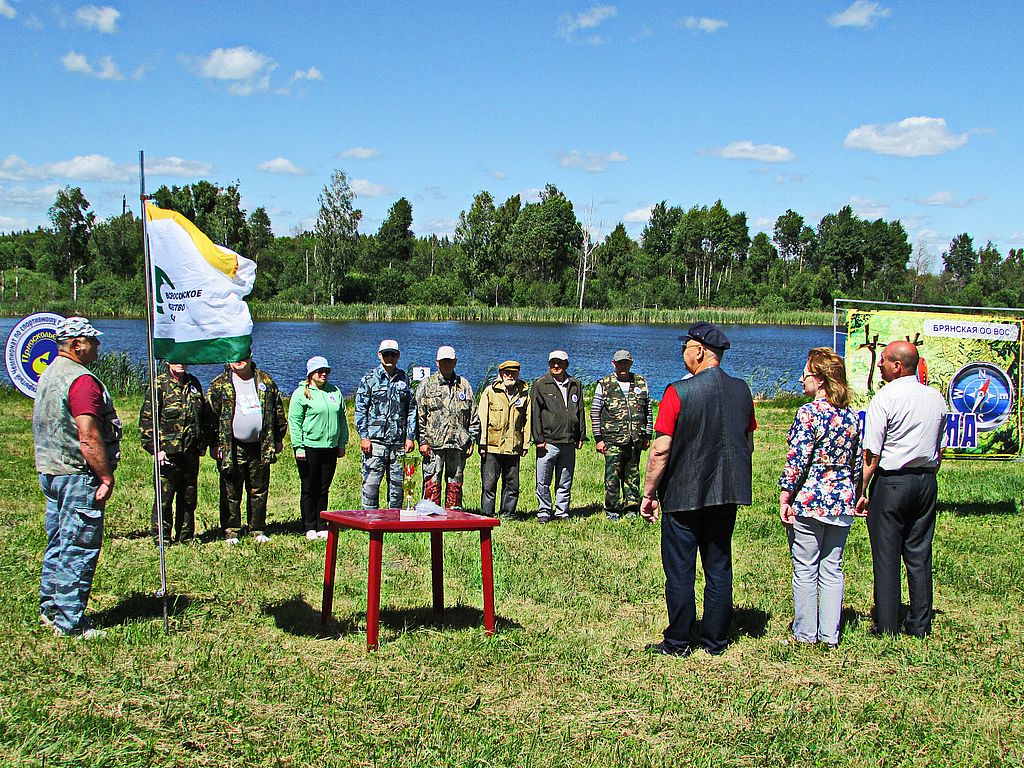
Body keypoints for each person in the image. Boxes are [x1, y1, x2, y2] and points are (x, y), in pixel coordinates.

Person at [640, 323, 756, 656]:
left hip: (683, 495)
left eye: (686, 347)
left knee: (680, 569)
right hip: (725, 493)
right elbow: (747, 443)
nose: (683, 352)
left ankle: (678, 640)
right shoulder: (742, 391)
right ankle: (715, 639)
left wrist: (648, 494)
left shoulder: (678, 392)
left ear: (701, 351)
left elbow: (661, 448)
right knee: (718, 565)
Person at [34, 317, 122, 638]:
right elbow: (87, 435)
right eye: (92, 340)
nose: (97, 345)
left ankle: (51, 608)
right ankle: (69, 620)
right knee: (79, 544)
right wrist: (105, 476)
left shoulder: (50, 374)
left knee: (58, 540)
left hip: (51, 470)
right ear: (77, 345)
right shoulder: (81, 381)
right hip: (76, 473)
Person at [857, 340, 946, 637]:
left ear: (897, 366)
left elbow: (872, 452)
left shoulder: (885, 398)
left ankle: (887, 624)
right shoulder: (935, 398)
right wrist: (929, 472)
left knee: (886, 555)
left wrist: (863, 488)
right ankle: (920, 624)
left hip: (892, 481)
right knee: (919, 553)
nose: (878, 364)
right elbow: (940, 447)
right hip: (925, 480)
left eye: (882, 360)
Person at [778, 347, 863, 647]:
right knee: (832, 567)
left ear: (822, 380)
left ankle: (804, 633)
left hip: (810, 500)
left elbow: (798, 460)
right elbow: (856, 464)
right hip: (842, 502)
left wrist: (785, 496)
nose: (802, 379)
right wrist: (855, 495)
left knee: (805, 567)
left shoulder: (808, 413)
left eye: (807, 375)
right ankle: (830, 634)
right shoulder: (852, 417)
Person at [207, 352, 287, 544]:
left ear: (250, 356)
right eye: (234, 355)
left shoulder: (265, 381)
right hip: (231, 446)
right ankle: (231, 529)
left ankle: (257, 529)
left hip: (260, 445)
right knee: (230, 490)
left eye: (243, 355)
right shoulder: (219, 384)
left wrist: (277, 438)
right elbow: (210, 417)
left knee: (259, 489)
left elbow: (278, 411)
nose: (239, 359)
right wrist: (214, 443)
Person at [139, 361, 212, 546]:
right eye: (176, 360)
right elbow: (148, 420)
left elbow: (201, 416)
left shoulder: (193, 383)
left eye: (184, 360)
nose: (181, 364)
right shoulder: (159, 385)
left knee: (188, 496)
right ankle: (162, 537)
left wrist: (202, 443)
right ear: (167, 362)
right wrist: (155, 450)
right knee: (164, 498)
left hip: (190, 451)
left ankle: (185, 536)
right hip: (167, 453)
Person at [289, 356, 348, 540]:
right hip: (309, 447)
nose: (323, 374)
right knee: (309, 487)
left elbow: (342, 419)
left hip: (330, 447)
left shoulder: (335, 391)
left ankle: (322, 524)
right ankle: (308, 526)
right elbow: (295, 422)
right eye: (319, 371)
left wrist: (341, 443)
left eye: (326, 371)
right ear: (310, 374)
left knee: (324, 488)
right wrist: (298, 447)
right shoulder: (301, 394)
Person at [354, 339, 416, 509]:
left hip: (398, 442)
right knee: (371, 484)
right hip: (375, 442)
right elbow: (360, 410)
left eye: (393, 354)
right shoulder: (369, 379)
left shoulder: (405, 379)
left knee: (397, 485)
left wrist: (410, 437)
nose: (390, 357)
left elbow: (411, 409)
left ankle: (394, 519)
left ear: (398, 356)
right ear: (379, 355)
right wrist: (364, 436)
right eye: (386, 354)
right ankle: (369, 519)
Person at [416, 345, 480, 509]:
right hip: (433, 444)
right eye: (444, 361)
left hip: (458, 444)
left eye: (450, 361)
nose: (447, 364)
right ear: (437, 362)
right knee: (433, 479)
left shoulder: (464, 385)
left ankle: (453, 516)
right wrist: (423, 441)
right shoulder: (426, 384)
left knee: (455, 481)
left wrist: (471, 439)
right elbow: (419, 416)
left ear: (455, 362)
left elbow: (473, 414)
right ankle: (430, 514)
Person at [591, 349, 652, 520]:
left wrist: (648, 435)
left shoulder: (641, 382)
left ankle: (632, 507)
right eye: (619, 363)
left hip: (636, 438)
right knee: (612, 475)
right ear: (613, 364)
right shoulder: (604, 383)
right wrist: (598, 439)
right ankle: (612, 508)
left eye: (626, 362)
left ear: (631, 363)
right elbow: (595, 412)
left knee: (633, 475)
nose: (623, 365)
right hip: (612, 440)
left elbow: (648, 410)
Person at [531, 350, 586, 523]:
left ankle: (562, 511)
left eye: (560, 363)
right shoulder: (540, 384)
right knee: (543, 480)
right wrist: (538, 439)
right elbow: (535, 413)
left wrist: (580, 435)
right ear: (549, 364)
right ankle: (544, 511)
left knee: (565, 480)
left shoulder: (575, 384)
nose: (556, 366)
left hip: (568, 441)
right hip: (548, 441)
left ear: (566, 364)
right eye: (553, 362)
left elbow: (581, 410)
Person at [478, 360, 531, 517]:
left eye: (513, 372)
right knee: (489, 483)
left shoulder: (524, 394)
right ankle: (487, 514)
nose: (510, 375)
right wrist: (482, 443)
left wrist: (526, 443)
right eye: (507, 372)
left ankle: (507, 513)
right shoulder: (490, 392)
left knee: (512, 484)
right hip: (492, 446)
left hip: (514, 446)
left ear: (518, 374)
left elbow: (528, 420)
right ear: (501, 374)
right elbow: (482, 417)